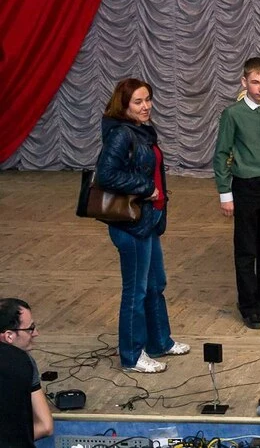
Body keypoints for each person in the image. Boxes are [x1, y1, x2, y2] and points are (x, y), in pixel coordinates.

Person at [96, 78, 190, 373]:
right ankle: (132, 355)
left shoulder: (141, 129)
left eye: (148, 99)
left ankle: (159, 341)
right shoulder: (121, 133)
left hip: (148, 220)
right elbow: (105, 174)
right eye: (138, 102)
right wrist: (145, 187)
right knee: (135, 291)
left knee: (155, 284)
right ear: (123, 105)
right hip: (131, 224)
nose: (146, 106)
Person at [214, 57, 260, 330]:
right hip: (246, 186)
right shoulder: (233, 114)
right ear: (244, 82)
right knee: (246, 249)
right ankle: (248, 305)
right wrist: (225, 193)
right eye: (255, 82)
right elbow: (222, 154)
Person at [0, 298, 53, 446]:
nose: (36, 333)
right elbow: (45, 426)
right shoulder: (24, 362)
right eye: (31, 328)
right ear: (9, 336)